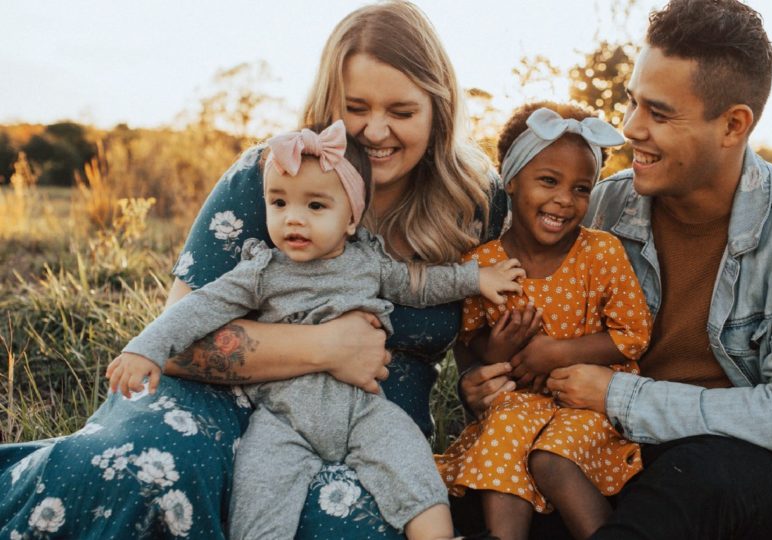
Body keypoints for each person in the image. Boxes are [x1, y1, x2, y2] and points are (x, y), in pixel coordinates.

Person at [0, 2, 508, 538]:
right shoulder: (276, 174)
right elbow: (175, 340)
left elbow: (485, 335)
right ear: (329, 102)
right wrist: (329, 347)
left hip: (368, 420)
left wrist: (482, 377)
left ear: (439, 107)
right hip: (213, 399)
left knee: (341, 522)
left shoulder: (474, 198)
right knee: (146, 467)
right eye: (356, 107)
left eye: (402, 112)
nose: (375, 131)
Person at [463, 1, 772, 539]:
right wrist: (479, 377)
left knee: (692, 488)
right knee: (491, 494)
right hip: (602, 443)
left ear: (732, 125)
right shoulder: (599, 206)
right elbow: (493, 296)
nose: (630, 129)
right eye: (633, 103)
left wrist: (620, 397)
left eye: (659, 113)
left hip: (734, 462)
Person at [106, 122, 523, 540]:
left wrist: (475, 279)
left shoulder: (370, 263)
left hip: (363, 409)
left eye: (315, 207)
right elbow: (200, 306)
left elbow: (420, 282)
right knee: (260, 490)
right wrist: (147, 347)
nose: (294, 219)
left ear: (351, 218)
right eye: (279, 203)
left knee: (411, 461)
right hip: (283, 418)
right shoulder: (262, 272)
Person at [436, 103, 651, 540]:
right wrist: (494, 353)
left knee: (551, 458)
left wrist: (557, 352)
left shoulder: (601, 253)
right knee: (502, 435)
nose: (564, 200)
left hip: (588, 400)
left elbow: (634, 334)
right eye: (549, 181)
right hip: (520, 401)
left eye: (580, 188)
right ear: (512, 180)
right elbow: (471, 338)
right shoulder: (485, 264)